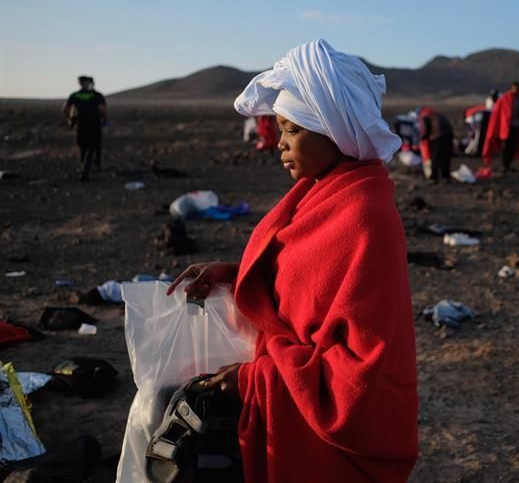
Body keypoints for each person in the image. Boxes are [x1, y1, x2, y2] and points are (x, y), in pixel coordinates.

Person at [166, 39, 418, 482]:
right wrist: (235, 275)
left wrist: (255, 380)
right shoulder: (321, 195)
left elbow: (362, 365)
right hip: (293, 402)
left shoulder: (365, 215)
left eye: (292, 131)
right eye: (280, 130)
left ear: (334, 131)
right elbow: (304, 286)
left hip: (327, 447)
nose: (280, 144)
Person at [64, 75, 106, 181]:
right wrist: (104, 119)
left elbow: (67, 109)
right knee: (94, 145)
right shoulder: (96, 95)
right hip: (94, 124)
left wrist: (70, 119)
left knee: (83, 146)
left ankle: (85, 166)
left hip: (81, 124)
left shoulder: (75, 95)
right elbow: (102, 109)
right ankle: (94, 166)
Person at [482, 81, 519, 174]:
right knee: (506, 147)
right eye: (516, 88)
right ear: (512, 88)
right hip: (506, 128)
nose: (518, 90)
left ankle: (508, 165)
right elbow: (497, 112)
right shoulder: (504, 98)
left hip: (516, 126)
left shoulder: (518, 99)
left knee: (513, 146)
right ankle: (504, 165)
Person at [418, 107, 454, 183]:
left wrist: (422, 138)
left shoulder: (425, 116)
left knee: (435, 158)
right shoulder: (439, 115)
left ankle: (434, 177)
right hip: (448, 136)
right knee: (445, 157)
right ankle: (446, 177)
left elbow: (426, 129)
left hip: (436, 137)